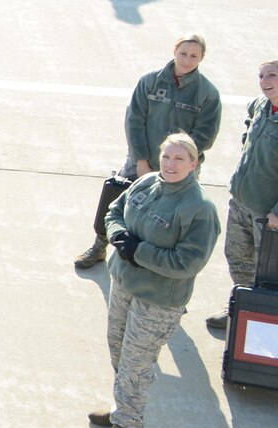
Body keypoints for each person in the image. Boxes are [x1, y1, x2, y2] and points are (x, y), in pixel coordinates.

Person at [97, 135, 219, 428]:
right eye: (167, 156)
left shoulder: (199, 209)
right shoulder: (148, 182)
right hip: (124, 285)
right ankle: (126, 405)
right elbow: (115, 210)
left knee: (136, 363)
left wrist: (138, 251)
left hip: (158, 300)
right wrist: (118, 234)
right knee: (118, 349)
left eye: (180, 158)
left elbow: (187, 263)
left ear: (194, 164)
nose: (171, 164)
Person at [75, 36, 222, 269]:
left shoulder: (207, 94)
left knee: (174, 217)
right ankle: (100, 245)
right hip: (141, 159)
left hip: (181, 166)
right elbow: (134, 120)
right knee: (116, 199)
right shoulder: (150, 81)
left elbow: (204, 135)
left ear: (202, 58)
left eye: (194, 55)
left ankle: (158, 263)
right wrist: (141, 159)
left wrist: (175, 162)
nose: (187, 59)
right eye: (183, 53)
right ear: (175, 50)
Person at [208, 61, 278, 331]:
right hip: (240, 201)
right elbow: (249, 124)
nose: (264, 80)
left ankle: (262, 323)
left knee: (268, 273)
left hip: (267, 215)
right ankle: (240, 310)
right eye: (261, 75)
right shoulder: (260, 105)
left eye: (271, 75)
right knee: (238, 259)